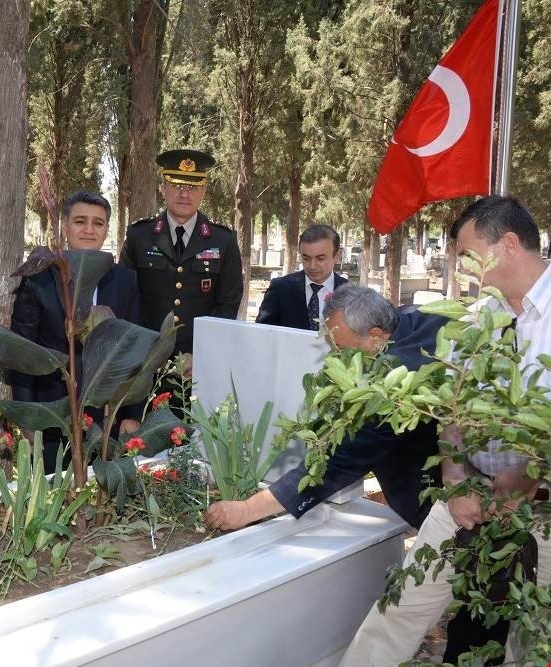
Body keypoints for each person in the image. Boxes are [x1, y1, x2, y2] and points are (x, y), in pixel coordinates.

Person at [340, 195, 551, 666]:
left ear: (510, 244)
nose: (462, 269)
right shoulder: (479, 320)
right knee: (397, 613)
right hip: (467, 501)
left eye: (468, 255)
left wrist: (525, 476)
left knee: (528, 643)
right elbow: (451, 413)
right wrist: (455, 480)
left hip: (541, 514)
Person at [206, 285, 444, 533]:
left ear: (375, 336)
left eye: (339, 348)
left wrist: (247, 510)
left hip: (446, 502)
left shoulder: (390, 390)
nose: (334, 358)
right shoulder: (414, 320)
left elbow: (338, 463)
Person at [10, 191, 141, 472]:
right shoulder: (38, 279)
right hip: (52, 415)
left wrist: (131, 413)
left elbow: (134, 350)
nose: (89, 230)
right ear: (64, 226)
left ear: (106, 229)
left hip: (106, 422)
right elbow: (21, 352)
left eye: (99, 223)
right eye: (80, 221)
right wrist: (27, 417)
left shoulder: (125, 281)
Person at [120, 149, 243, 361]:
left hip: (199, 361)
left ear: (203, 191)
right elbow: (126, 297)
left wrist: (199, 353)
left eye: (193, 186)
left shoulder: (224, 241)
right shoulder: (138, 236)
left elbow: (228, 304)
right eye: (176, 185)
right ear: (163, 188)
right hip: (146, 360)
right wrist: (144, 350)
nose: (184, 194)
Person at [256, 224, 347, 330]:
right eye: (306, 258)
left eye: (320, 258)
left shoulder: (351, 294)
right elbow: (261, 333)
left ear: (337, 256)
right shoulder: (280, 289)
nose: (312, 266)